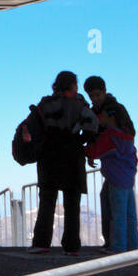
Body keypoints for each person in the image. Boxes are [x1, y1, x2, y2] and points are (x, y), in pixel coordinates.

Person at [28, 71, 97, 256]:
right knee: (72, 202)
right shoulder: (80, 104)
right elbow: (92, 126)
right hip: (72, 155)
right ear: (74, 84)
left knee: (47, 200)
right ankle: (72, 246)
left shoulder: (46, 104)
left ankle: (41, 243)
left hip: (49, 155)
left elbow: (34, 127)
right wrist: (81, 140)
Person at [84, 76, 138, 252]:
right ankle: (133, 244)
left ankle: (118, 246)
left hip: (115, 176)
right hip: (126, 174)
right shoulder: (126, 137)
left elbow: (95, 150)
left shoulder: (109, 136)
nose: (95, 99)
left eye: (97, 95)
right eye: (91, 96)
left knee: (117, 212)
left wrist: (84, 151)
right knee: (129, 213)